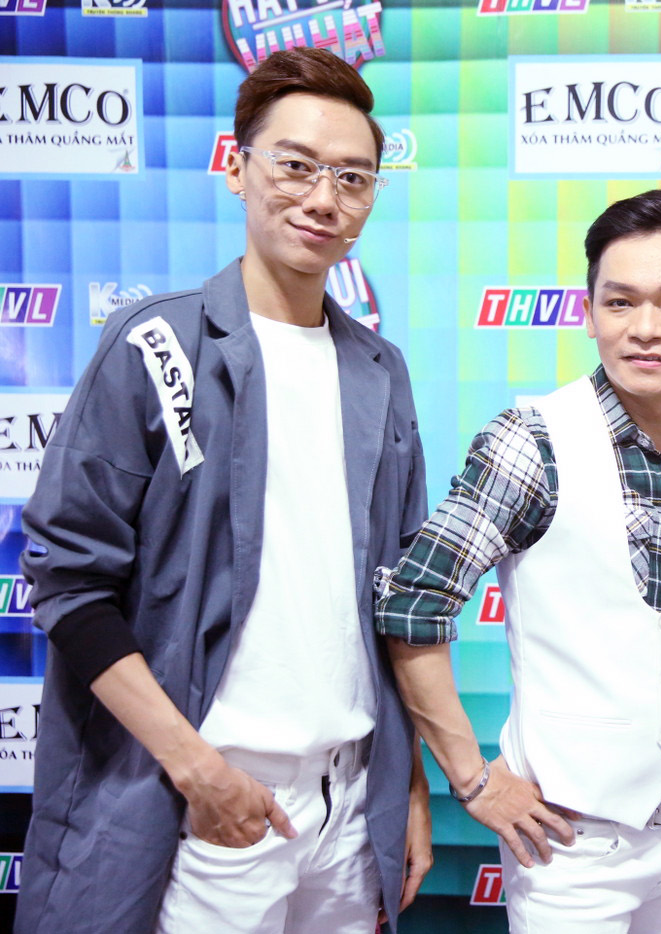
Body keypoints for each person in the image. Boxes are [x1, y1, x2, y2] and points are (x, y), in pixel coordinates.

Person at [15, 48, 432, 934]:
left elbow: (398, 603)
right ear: (237, 169)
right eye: (296, 166)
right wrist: (198, 770)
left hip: (349, 807)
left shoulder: (379, 370)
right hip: (209, 802)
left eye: (353, 178)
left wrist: (409, 790)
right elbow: (70, 583)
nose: (323, 199)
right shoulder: (156, 345)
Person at [375, 188, 661, 933]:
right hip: (571, 848)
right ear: (588, 312)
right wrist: (473, 781)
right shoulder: (532, 440)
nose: (646, 328)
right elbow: (414, 605)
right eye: (620, 302)